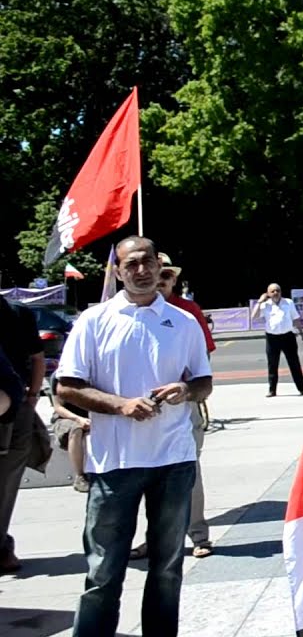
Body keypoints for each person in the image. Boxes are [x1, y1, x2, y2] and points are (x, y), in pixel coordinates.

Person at [54, 236, 213, 637]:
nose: (141, 271)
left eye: (147, 262)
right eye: (131, 265)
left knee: (166, 568)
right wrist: (121, 405)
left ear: (161, 266)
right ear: (118, 271)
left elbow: (204, 381)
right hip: (115, 463)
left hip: (173, 460)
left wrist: (186, 390)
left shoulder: (184, 321)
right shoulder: (95, 320)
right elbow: (67, 387)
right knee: (103, 571)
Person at [129, 254, 217, 560]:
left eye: (166, 275)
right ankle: (155, 538)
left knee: (188, 472)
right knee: (144, 476)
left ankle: (198, 535)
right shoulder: (130, 311)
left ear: (172, 279)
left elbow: (202, 365)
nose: (161, 279)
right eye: (158, 273)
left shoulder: (187, 313)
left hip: (182, 406)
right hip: (140, 409)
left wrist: (188, 389)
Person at [0, 295, 45, 573]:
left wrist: (32, 396)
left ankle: (2, 548)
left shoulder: (18, 314)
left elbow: (37, 358)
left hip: (16, 409)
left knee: (7, 483)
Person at [251, 283, 303, 397]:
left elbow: (295, 318)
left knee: (294, 363)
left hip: (288, 337)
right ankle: (272, 390)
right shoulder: (265, 305)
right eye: (273, 291)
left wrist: (302, 333)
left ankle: (302, 388)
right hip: (272, 338)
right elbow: (254, 316)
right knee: (272, 365)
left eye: (278, 290)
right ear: (268, 293)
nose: (276, 293)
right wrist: (260, 301)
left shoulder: (288, 302)